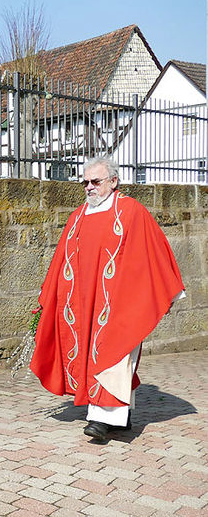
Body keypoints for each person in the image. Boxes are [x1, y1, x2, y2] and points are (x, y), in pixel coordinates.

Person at [31, 157, 185, 443]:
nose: (89, 187)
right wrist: (48, 297)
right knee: (91, 355)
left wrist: (160, 289)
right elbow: (60, 261)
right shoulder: (78, 216)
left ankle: (102, 419)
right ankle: (120, 416)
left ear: (113, 181)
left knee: (113, 354)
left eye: (95, 182)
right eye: (85, 182)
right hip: (82, 303)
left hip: (118, 302)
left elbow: (153, 250)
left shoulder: (130, 212)